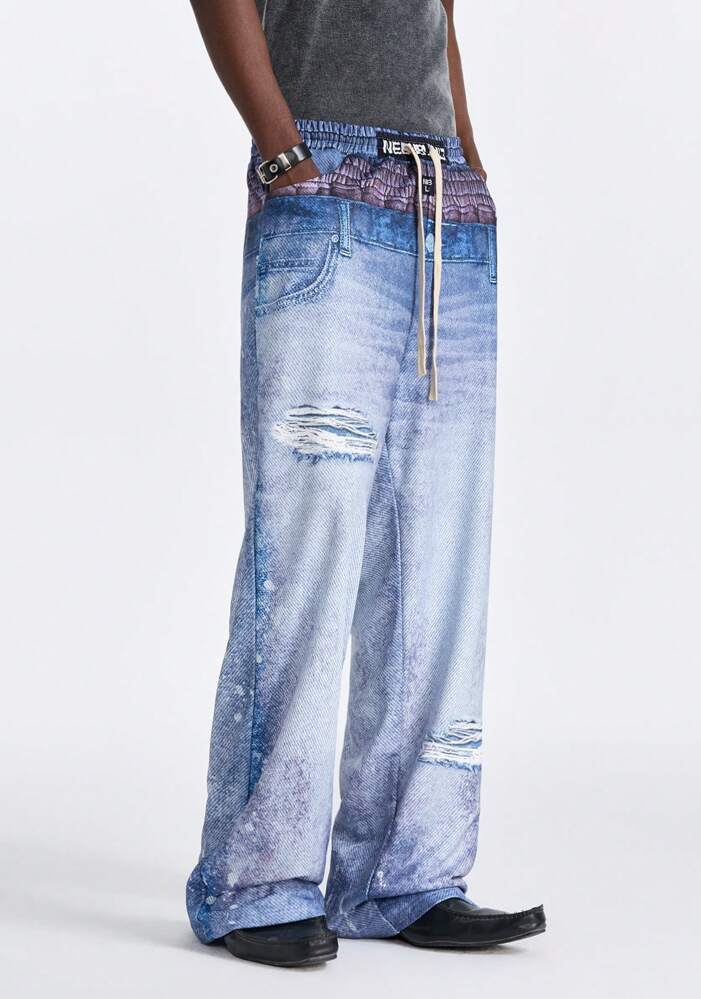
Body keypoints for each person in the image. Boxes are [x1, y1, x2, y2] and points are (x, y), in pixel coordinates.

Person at [186, 0, 545, 968]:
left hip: (441, 197)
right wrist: (281, 151)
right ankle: (255, 880)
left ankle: (403, 874)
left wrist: (467, 162)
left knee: (437, 559)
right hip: (324, 176)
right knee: (304, 551)